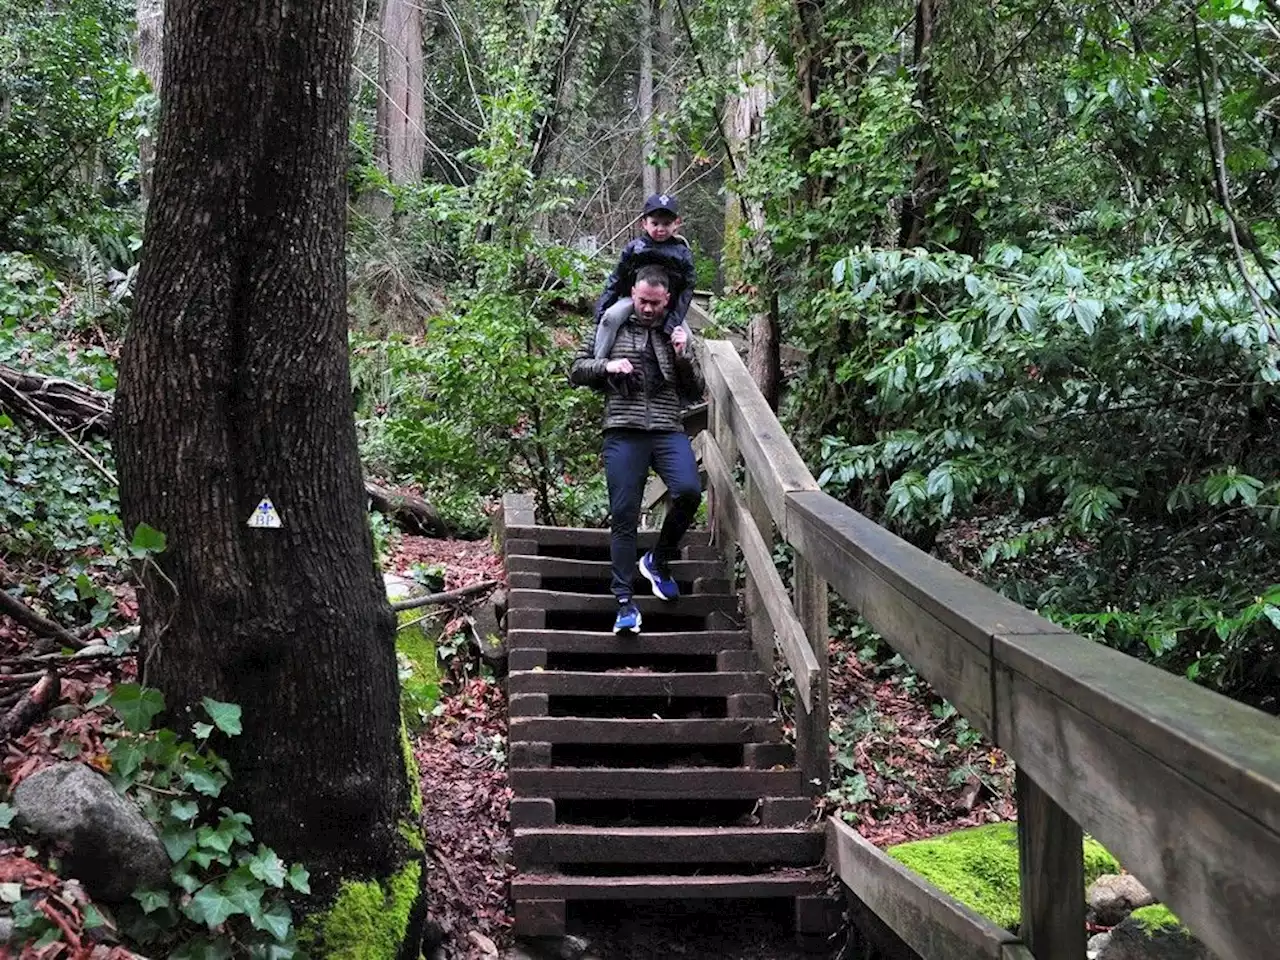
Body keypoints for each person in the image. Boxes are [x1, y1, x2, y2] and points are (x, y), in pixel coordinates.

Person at [570, 265, 705, 635]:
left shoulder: (674, 331)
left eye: (655, 304)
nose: (647, 309)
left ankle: (658, 560)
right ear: (632, 292)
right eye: (642, 301)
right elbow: (576, 369)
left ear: (667, 301)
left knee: (689, 491)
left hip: (666, 428)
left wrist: (682, 355)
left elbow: (696, 390)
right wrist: (608, 364)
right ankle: (624, 603)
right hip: (623, 429)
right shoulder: (611, 323)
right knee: (624, 514)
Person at [593, 193, 697, 361]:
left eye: (666, 224)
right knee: (609, 319)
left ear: (676, 224)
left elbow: (687, 289)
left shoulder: (682, 254)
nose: (660, 229)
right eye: (655, 223)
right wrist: (602, 307)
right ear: (644, 223)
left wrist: (673, 321)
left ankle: (686, 377)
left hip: (668, 306)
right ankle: (598, 362)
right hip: (634, 300)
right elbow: (616, 278)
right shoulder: (635, 248)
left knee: (688, 338)